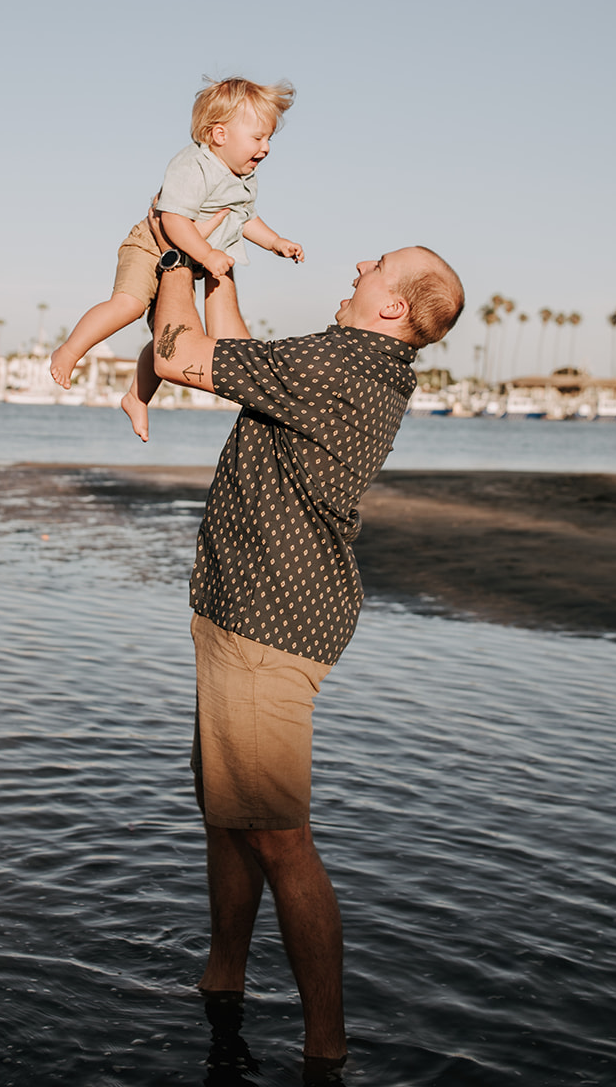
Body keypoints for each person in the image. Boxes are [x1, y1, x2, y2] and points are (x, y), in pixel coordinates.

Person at [147, 215, 464, 1077]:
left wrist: (173, 256)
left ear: (392, 306)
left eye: (378, 264)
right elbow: (242, 359)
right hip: (245, 612)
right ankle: (224, 978)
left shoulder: (342, 364)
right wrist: (222, 279)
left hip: (265, 626)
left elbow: (180, 356)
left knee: (279, 835)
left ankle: (325, 1049)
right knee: (229, 819)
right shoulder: (347, 362)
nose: (359, 262)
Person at [50, 77, 304, 440]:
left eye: (269, 140)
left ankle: (137, 399)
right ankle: (70, 350)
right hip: (151, 248)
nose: (265, 148)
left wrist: (275, 241)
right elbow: (172, 219)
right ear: (219, 135)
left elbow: (243, 217)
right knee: (128, 305)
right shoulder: (193, 165)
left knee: (169, 341)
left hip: (191, 259)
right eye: (258, 138)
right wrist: (206, 253)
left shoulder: (244, 177)